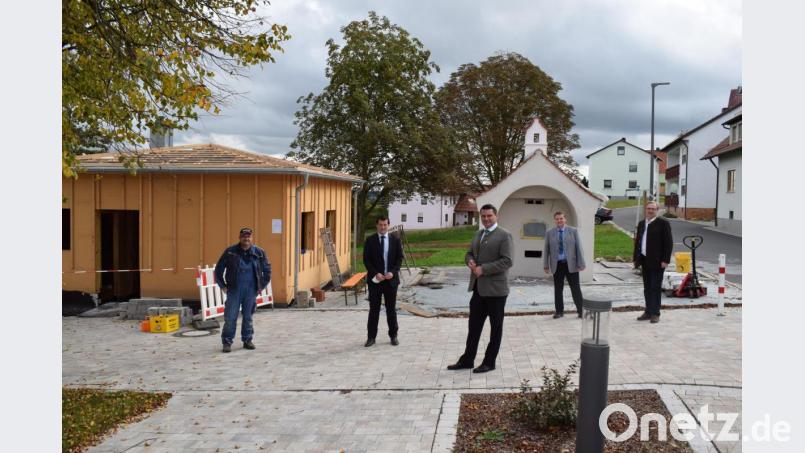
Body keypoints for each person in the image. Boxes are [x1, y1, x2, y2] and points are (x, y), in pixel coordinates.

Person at [447, 204, 513, 373]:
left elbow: (507, 261)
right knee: (474, 326)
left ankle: (489, 362)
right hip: (478, 289)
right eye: (483, 216)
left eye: (489, 216)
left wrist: (484, 269)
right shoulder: (478, 234)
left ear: (496, 216)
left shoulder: (504, 235)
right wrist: (469, 261)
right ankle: (467, 360)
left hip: (496, 291)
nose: (486, 219)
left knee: (495, 328)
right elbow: (469, 253)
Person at [214, 227, 271, 352]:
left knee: (248, 317)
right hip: (234, 289)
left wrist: (260, 287)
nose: (246, 238)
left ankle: (247, 340)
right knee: (230, 317)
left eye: (248, 236)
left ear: (252, 238)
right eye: (244, 236)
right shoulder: (230, 252)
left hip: (251, 290)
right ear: (239, 238)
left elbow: (267, 271)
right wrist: (223, 286)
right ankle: (227, 342)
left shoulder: (259, 252)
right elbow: (218, 270)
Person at [363, 216, 403, 347]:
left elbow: (399, 259)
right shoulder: (370, 240)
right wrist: (376, 273)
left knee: (391, 309)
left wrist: (393, 272)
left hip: (391, 281)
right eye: (380, 225)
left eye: (385, 225)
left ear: (388, 225)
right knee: (374, 310)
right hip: (376, 281)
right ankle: (371, 337)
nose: (383, 227)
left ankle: (393, 336)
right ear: (377, 225)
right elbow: (366, 260)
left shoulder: (395, 240)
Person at [632, 201, 673, 323]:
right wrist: (635, 258)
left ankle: (655, 313)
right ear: (646, 209)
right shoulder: (641, 224)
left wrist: (665, 260)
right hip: (644, 260)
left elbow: (668, 243)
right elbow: (638, 241)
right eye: (648, 208)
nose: (650, 211)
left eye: (653, 209)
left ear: (657, 210)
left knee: (655, 287)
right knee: (647, 287)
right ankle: (648, 311)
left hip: (657, 261)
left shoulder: (663, 223)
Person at [543, 211, 586, 319]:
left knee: (575, 288)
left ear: (565, 219)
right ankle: (559, 311)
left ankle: (581, 311)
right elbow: (546, 250)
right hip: (557, 265)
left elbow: (579, 248)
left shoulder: (573, 231)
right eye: (557, 219)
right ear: (555, 220)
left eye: (561, 218)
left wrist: (581, 263)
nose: (559, 220)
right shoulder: (550, 233)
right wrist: (546, 265)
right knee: (558, 289)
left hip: (571, 265)